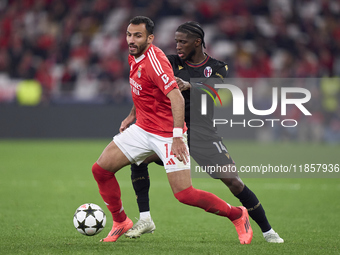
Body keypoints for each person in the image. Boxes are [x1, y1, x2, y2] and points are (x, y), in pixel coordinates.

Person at [92, 16, 253, 244]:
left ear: (150, 38)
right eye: (129, 34)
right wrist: (131, 116)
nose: (131, 39)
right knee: (100, 170)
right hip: (143, 129)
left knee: (184, 194)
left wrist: (178, 137)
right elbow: (144, 91)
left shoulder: (155, 61)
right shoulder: (134, 55)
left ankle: (237, 214)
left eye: (138, 35)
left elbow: (176, 98)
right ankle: (121, 221)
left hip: (167, 134)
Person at [124, 21, 284, 244]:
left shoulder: (219, 67)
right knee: (138, 159)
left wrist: (188, 85)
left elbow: (214, 90)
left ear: (197, 42)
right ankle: (145, 218)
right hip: (173, 133)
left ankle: (268, 231)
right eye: (176, 41)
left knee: (234, 182)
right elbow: (148, 89)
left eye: (183, 42)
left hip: (203, 134)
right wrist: (133, 114)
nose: (178, 46)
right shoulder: (169, 62)